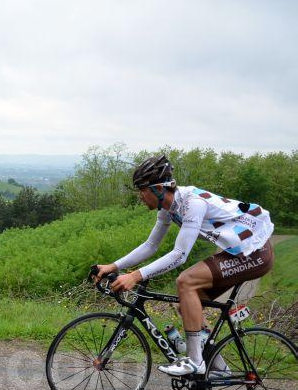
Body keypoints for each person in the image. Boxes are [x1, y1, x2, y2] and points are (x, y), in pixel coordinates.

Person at [94, 155, 274, 376]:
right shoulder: (168, 207)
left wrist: (135, 276)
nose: (140, 196)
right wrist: (114, 266)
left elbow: (180, 255)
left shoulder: (192, 204)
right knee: (187, 304)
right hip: (238, 251)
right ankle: (220, 369)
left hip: (254, 253)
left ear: (159, 188)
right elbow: (151, 245)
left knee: (185, 282)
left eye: (142, 190)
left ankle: (196, 362)